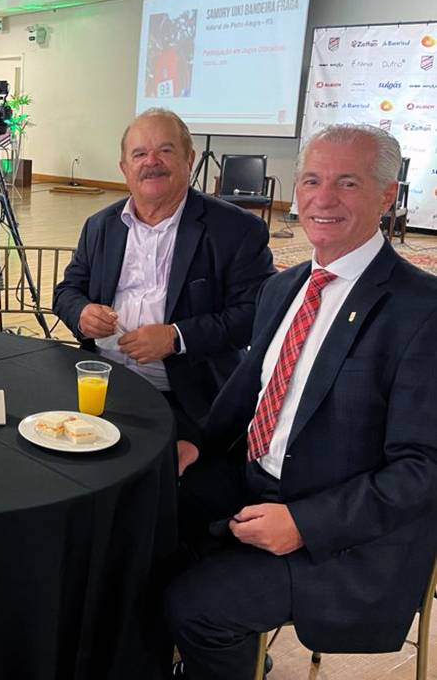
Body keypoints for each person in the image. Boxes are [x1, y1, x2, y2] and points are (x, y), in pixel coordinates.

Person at [165, 124, 437, 680]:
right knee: (137, 517)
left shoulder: (422, 312)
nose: (322, 199)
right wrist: (196, 441)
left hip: (344, 533)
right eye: (311, 180)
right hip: (258, 477)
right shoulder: (285, 286)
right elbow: (248, 389)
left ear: (388, 195)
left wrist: (305, 523)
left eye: (347, 183)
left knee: (197, 608)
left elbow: (422, 470)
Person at [54, 108, 275, 473]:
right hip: (100, 384)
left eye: (166, 151)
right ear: (124, 168)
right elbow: (67, 291)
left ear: (189, 159)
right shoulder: (101, 226)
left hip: (187, 399)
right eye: (139, 154)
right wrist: (80, 313)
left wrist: (177, 337)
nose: (151, 162)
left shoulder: (235, 230)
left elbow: (256, 313)